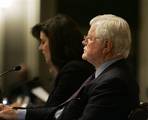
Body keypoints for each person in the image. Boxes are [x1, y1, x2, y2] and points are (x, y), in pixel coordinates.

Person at [0, 14, 94, 120]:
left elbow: (51, 113)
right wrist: (14, 110)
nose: (40, 48)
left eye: (43, 42)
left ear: (57, 44)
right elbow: (50, 109)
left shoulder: (74, 70)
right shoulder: (73, 68)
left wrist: (16, 113)